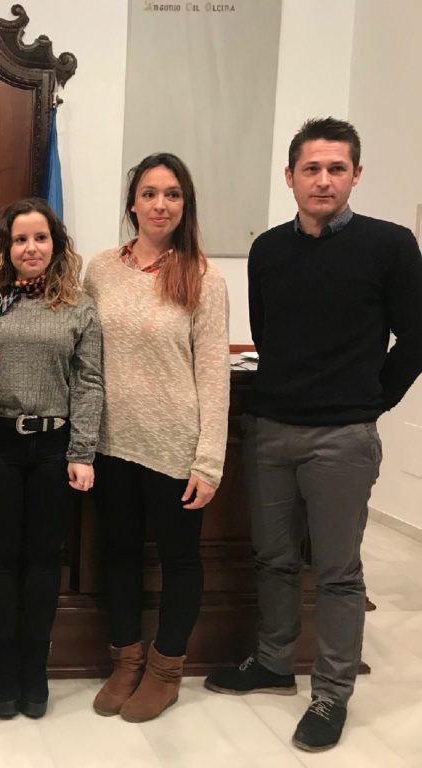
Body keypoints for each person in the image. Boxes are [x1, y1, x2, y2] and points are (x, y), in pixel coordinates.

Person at [205, 118, 422, 752]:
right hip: (271, 428)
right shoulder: (269, 249)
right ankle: (274, 662)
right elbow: (268, 333)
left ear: (356, 174)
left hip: (342, 438)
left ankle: (330, 692)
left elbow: (416, 335)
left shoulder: (390, 245)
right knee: (272, 558)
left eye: (336, 168)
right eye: (311, 168)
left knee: (336, 572)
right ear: (290, 176)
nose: (323, 180)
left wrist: (373, 399)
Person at [85, 153, 230, 723]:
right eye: (149, 193)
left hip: (174, 448)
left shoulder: (203, 277)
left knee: (178, 558)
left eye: (172, 194)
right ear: (133, 203)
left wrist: (209, 460)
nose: (160, 204)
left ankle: (165, 671)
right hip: (110, 443)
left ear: (185, 205)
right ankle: (126, 661)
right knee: (118, 553)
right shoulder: (101, 269)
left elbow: (213, 373)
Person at [0, 198, 104, 719]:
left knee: (45, 559)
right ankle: (3, 660)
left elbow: (89, 383)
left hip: (53, 447)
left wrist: (82, 451)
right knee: (1, 555)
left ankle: (34, 663)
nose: (30, 248)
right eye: (20, 239)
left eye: (40, 238)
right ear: (6, 247)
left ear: (56, 245)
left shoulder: (79, 307)